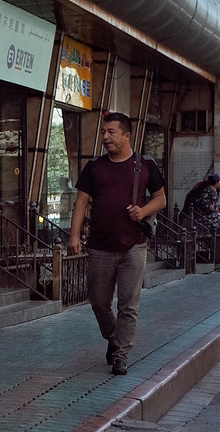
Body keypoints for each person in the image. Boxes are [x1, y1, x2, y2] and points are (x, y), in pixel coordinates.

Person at [68, 111, 167, 376]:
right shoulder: (95, 167)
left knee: (128, 304)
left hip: (133, 245)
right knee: (99, 302)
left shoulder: (145, 165)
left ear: (126, 135)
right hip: (100, 246)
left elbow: (161, 199)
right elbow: (81, 202)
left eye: (111, 132)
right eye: (103, 132)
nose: (105, 137)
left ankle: (121, 355)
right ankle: (114, 339)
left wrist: (143, 211)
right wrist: (74, 235)